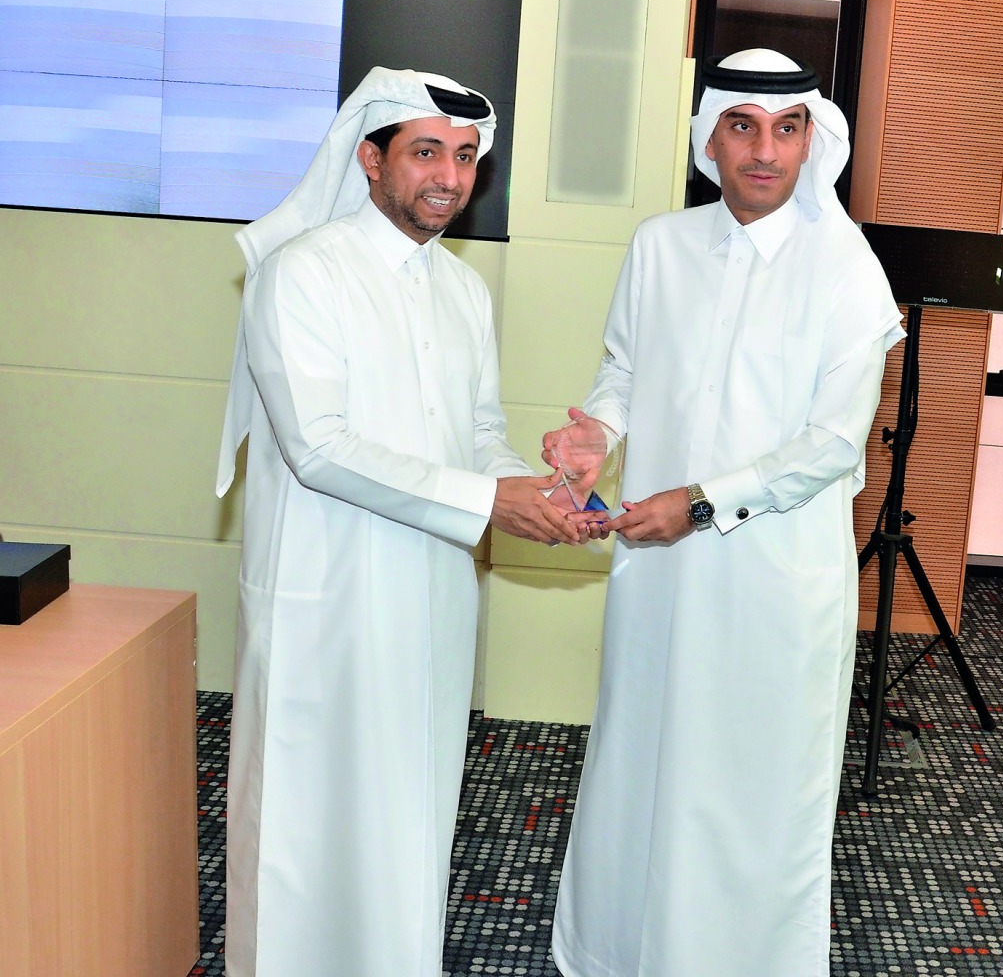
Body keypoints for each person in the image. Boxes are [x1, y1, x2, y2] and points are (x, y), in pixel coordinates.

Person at [544, 48, 906, 976]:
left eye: (786, 129)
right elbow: (625, 369)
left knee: (748, 784)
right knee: (643, 755)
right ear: (709, 137)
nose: (763, 151)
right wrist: (594, 433)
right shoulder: (660, 245)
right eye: (741, 125)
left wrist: (701, 504)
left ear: (811, 141)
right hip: (659, 566)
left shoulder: (845, 268)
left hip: (770, 575)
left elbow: (831, 445)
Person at [214, 66, 582, 977]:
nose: (448, 179)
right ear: (371, 159)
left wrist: (541, 489)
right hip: (326, 593)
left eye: (463, 157)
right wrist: (488, 502)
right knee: (306, 819)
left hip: (429, 592)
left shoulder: (464, 293)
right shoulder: (302, 275)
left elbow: (478, 435)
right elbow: (319, 448)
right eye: (426, 153)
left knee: (409, 809)